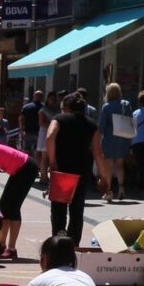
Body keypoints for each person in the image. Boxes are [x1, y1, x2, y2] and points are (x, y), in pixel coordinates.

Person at [46, 93, 111, 244]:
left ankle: (58, 239)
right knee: (77, 209)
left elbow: (50, 137)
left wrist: (53, 161)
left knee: (58, 208)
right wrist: (103, 176)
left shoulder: (59, 119)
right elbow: (98, 152)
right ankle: (73, 244)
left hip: (62, 169)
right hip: (82, 170)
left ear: (67, 107)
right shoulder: (92, 125)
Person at [98, 83, 132, 202]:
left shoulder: (106, 106)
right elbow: (130, 120)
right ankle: (121, 188)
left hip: (110, 138)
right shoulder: (126, 104)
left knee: (109, 165)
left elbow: (102, 127)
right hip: (123, 138)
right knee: (119, 164)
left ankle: (109, 191)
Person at [37, 91, 59, 184]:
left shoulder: (57, 109)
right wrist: (52, 126)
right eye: (51, 98)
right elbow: (41, 123)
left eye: (54, 99)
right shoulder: (43, 110)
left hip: (54, 134)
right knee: (45, 156)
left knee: (52, 157)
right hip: (45, 133)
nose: (53, 100)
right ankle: (44, 177)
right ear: (47, 99)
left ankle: (50, 177)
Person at [18, 90, 43, 157]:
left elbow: (21, 119)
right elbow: (21, 119)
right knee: (37, 152)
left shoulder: (26, 107)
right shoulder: (43, 107)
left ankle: (27, 165)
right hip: (37, 133)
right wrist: (22, 130)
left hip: (30, 132)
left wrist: (21, 131)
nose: (39, 97)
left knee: (26, 151)